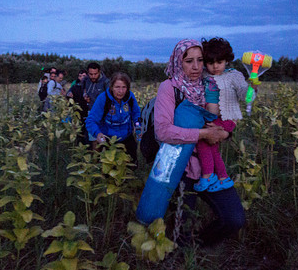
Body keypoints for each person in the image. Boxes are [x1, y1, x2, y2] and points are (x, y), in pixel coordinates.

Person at [154, 38, 245, 246]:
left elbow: (227, 117)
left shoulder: (211, 83)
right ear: (179, 61)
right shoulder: (169, 88)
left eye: (200, 60)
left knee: (234, 219)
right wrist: (203, 134)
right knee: (181, 230)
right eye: (188, 61)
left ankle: (203, 246)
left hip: (209, 167)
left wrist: (226, 134)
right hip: (180, 168)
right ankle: (184, 254)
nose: (196, 67)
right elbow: (162, 131)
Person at [194, 37, 248, 192]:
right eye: (210, 63)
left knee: (204, 142)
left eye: (219, 62)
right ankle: (223, 178)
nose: (215, 66)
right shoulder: (204, 74)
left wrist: (252, 89)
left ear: (227, 60)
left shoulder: (233, 75)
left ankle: (208, 175)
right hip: (211, 118)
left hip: (226, 119)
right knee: (212, 148)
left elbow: (244, 94)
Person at [85, 72, 141, 162]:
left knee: (131, 167)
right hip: (108, 140)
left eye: (124, 87)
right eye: (117, 87)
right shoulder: (103, 98)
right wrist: (98, 134)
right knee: (109, 171)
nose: (121, 91)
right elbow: (91, 120)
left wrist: (138, 125)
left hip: (127, 138)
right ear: (111, 87)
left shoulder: (130, 97)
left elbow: (136, 113)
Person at [66, 69, 89, 144]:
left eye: (84, 76)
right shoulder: (75, 86)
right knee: (79, 130)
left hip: (87, 112)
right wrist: (69, 94)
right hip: (77, 112)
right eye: (80, 76)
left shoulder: (90, 86)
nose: (82, 78)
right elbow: (68, 94)